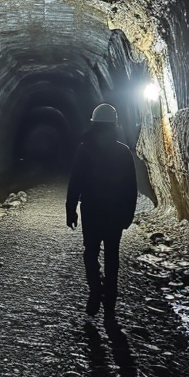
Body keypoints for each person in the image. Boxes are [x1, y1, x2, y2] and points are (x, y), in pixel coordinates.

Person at [66, 103, 137, 318]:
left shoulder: (84, 149)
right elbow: (131, 187)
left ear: (94, 124)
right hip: (114, 212)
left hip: (92, 210)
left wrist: (71, 209)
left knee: (90, 252)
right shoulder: (123, 152)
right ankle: (110, 300)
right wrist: (128, 215)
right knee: (112, 255)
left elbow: (75, 181)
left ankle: (95, 290)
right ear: (115, 125)